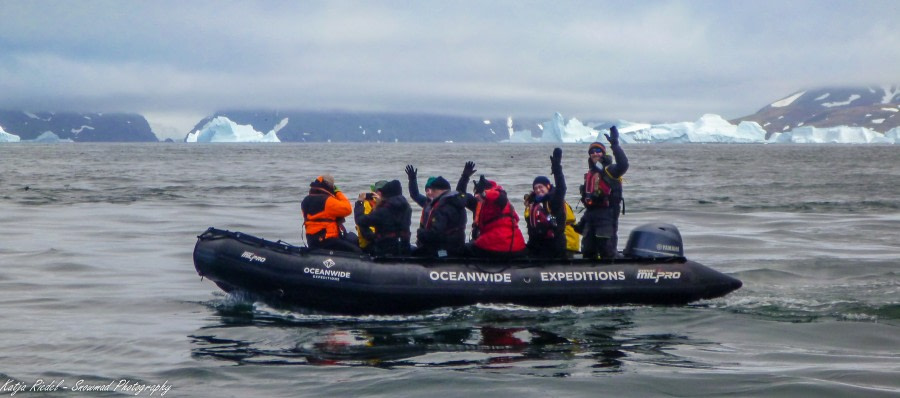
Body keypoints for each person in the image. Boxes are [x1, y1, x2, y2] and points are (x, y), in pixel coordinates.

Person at [578, 126, 628, 259]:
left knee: (607, 251)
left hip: (607, 217)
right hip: (591, 219)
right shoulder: (591, 173)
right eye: (592, 151)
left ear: (603, 153)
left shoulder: (610, 170)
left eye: (598, 151)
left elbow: (624, 165)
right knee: (588, 251)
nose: (595, 154)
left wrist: (615, 145)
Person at [523, 147, 578, 258]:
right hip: (538, 245)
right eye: (536, 188)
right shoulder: (534, 204)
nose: (538, 190)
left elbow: (562, 187)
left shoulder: (554, 200)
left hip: (555, 245)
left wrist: (557, 168)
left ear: (548, 186)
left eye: (541, 187)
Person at [461, 174, 527, 258]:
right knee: (468, 246)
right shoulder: (480, 204)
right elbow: (461, 195)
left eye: (478, 193)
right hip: (509, 243)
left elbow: (500, 197)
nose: (476, 196)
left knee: (467, 249)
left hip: (500, 244)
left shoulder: (497, 202)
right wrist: (464, 177)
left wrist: (484, 193)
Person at [411, 173, 468, 257]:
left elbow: (436, 233)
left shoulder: (442, 207)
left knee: (417, 253)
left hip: (445, 252)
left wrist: (421, 234)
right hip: (457, 247)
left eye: (433, 190)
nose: (432, 194)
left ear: (438, 190)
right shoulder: (456, 202)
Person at [301, 174, 361, 252]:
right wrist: (338, 192)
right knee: (356, 251)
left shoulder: (305, 200)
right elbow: (347, 209)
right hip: (327, 240)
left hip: (311, 239)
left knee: (351, 237)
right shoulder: (327, 200)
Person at [354, 180, 412, 256]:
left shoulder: (383, 210)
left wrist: (359, 203)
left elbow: (360, 220)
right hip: (404, 248)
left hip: (385, 250)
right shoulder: (407, 208)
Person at [355, 180, 387, 250]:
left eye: (383, 190)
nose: (381, 193)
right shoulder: (367, 203)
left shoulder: (390, 203)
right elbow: (364, 227)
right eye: (379, 190)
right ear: (375, 191)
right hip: (369, 243)